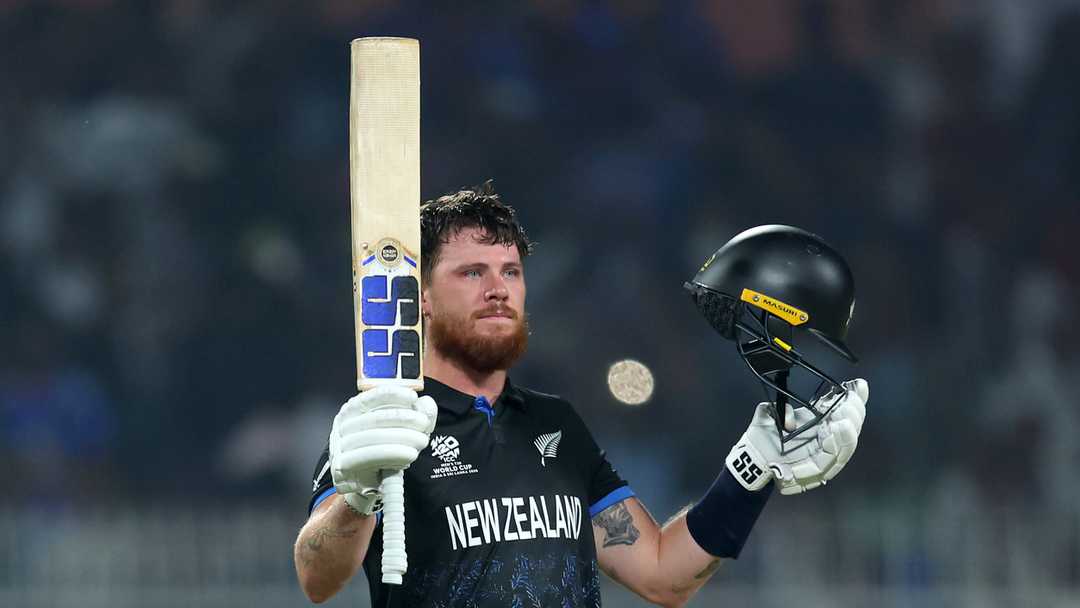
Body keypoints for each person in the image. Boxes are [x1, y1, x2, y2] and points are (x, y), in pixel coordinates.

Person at [293, 183, 869, 607]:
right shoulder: (385, 427)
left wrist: (751, 472)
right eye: (472, 272)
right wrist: (357, 495)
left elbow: (662, 574)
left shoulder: (556, 426)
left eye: (511, 271)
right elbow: (315, 578)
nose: (498, 289)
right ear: (419, 295)